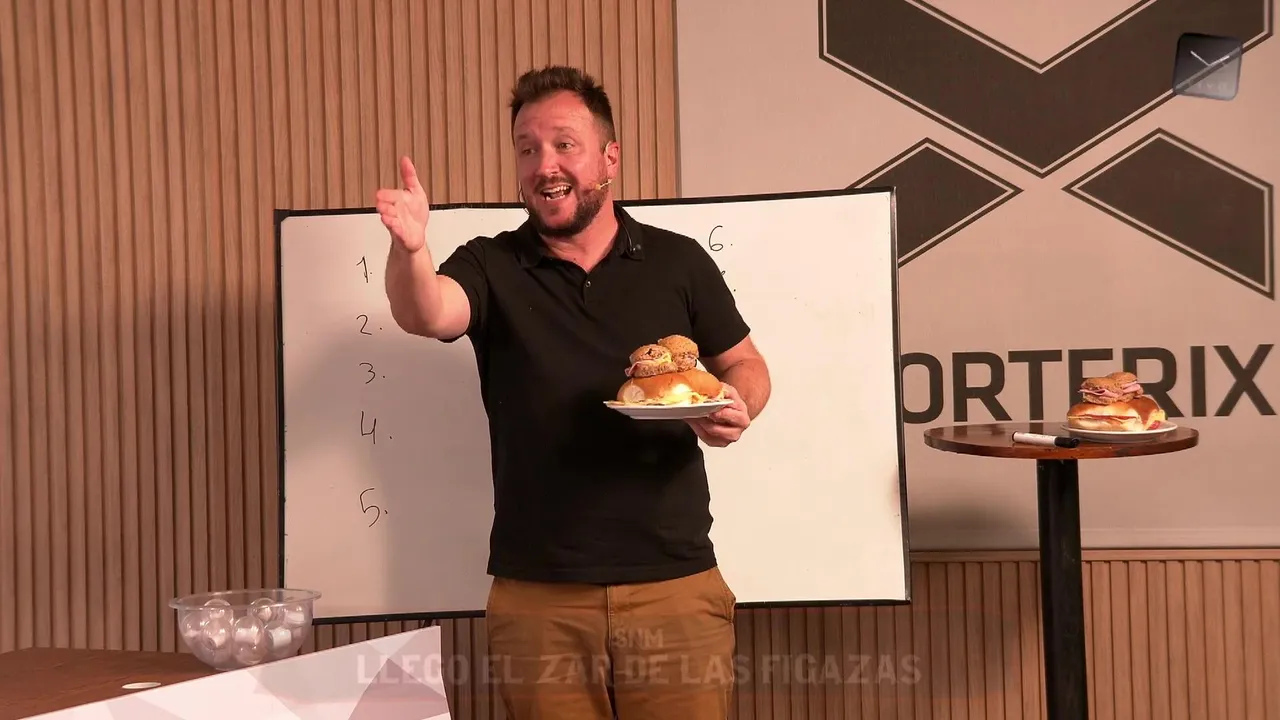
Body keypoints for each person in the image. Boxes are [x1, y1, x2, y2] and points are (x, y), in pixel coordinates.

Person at [374, 65, 771, 720]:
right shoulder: (491, 263)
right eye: (527, 149)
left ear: (609, 157)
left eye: (564, 144)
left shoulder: (678, 261)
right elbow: (426, 312)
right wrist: (411, 250)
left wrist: (737, 403)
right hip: (539, 596)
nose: (544, 165)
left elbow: (747, 363)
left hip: (673, 585)